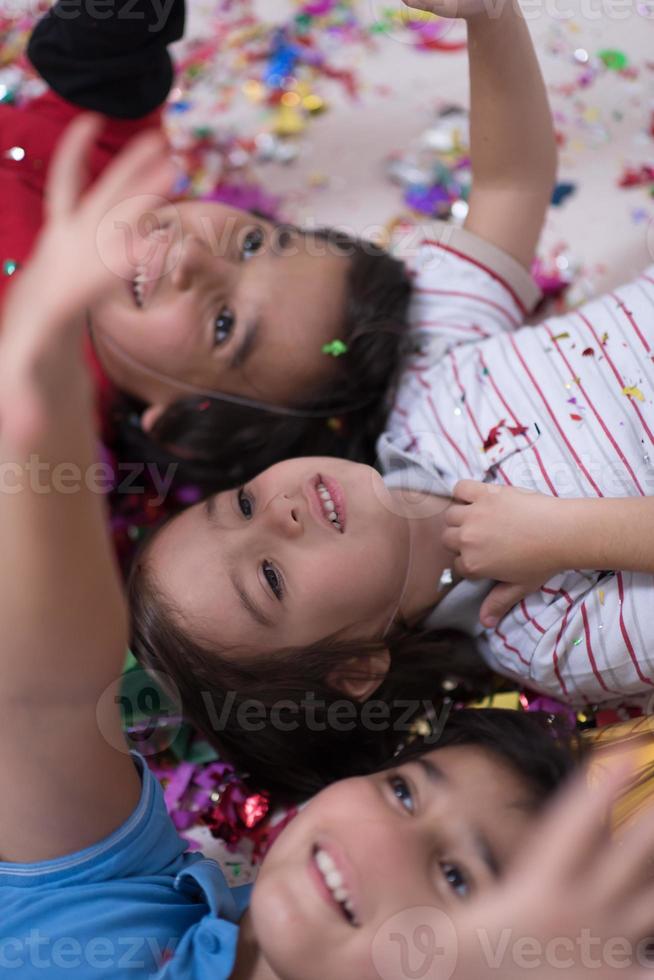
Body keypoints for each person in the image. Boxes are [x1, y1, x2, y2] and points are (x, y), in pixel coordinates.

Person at [0, 0, 411, 492]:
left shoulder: (43, 421)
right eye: (253, 243)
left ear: (181, 425)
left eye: (223, 325)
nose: (193, 255)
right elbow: (98, 62)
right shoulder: (130, 176)